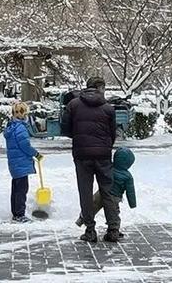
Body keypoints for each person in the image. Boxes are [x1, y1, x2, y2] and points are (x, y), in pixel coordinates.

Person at [61, 77, 120, 243]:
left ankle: (90, 230)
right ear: (100, 88)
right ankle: (113, 229)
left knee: (85, 192)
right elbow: (112, 133)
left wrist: (80, 137)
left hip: (81, 154)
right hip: (103, 154)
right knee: (107, 191)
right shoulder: (108, 108)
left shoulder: (73, 105)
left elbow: (65, 129)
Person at [76, 147, 136, 236]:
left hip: (102, 192)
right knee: (113, 213)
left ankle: (82, 219)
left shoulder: (109, 168)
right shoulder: (128, 177)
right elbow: (130, 192)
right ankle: (113, 230)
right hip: (115, 197)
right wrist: (132, 203)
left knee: (92, 205)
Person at [4, 102, 42, 223]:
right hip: (21, 164)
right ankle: (20, 214)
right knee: (21, 190)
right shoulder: (20, 128)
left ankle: (16, 213)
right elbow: (25, 145)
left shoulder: (11, 126)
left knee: (16, 189)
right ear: (23, 114)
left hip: (15, 164)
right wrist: (36, 154)